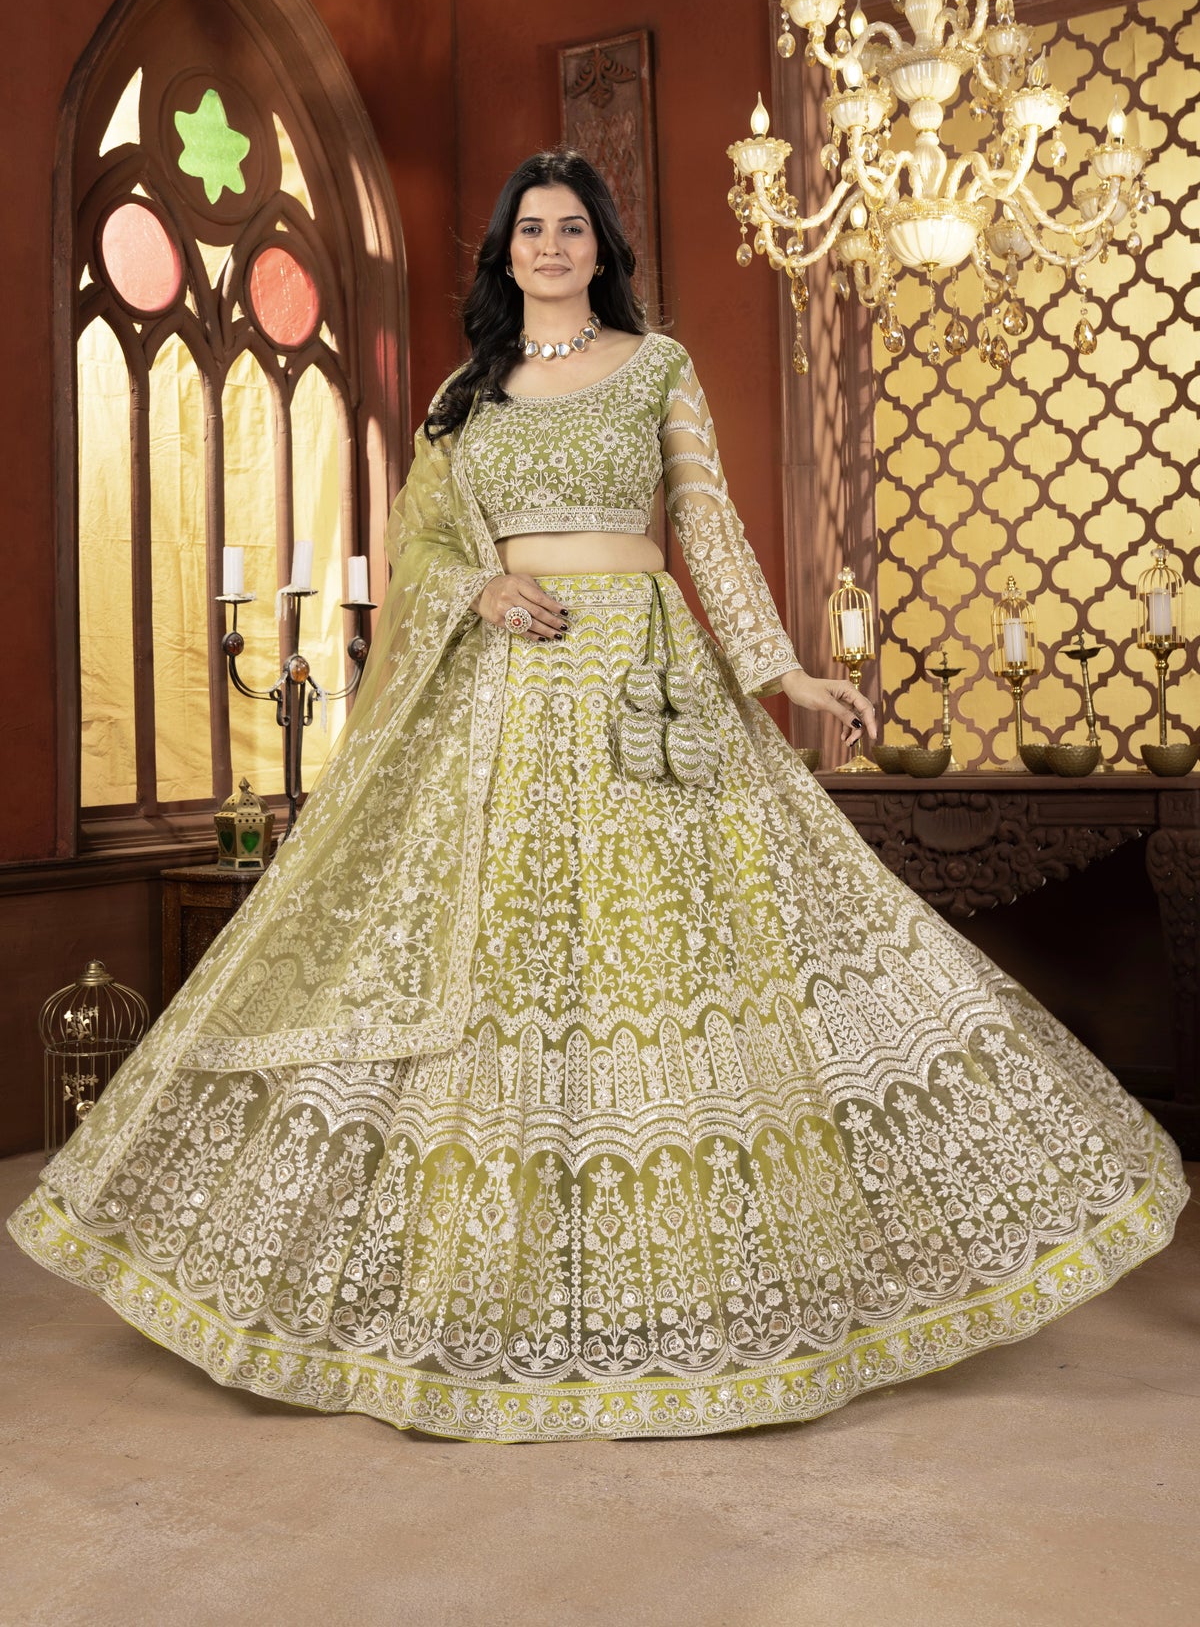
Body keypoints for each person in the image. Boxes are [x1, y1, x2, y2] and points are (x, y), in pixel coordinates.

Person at [9, 151, 1187, 1445]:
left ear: (603, 249)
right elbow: (422, 541)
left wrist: (781, 671)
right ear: (505, 252)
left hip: (645, 681)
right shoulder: (466, 393)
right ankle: (484, 1291)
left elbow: (708, 525)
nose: (552, 246)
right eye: (531, 229)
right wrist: (479, 588)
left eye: (574, 228)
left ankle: (688, 1285)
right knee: (505, 959)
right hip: (501, 695)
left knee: (664, 950)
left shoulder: (657, 367)